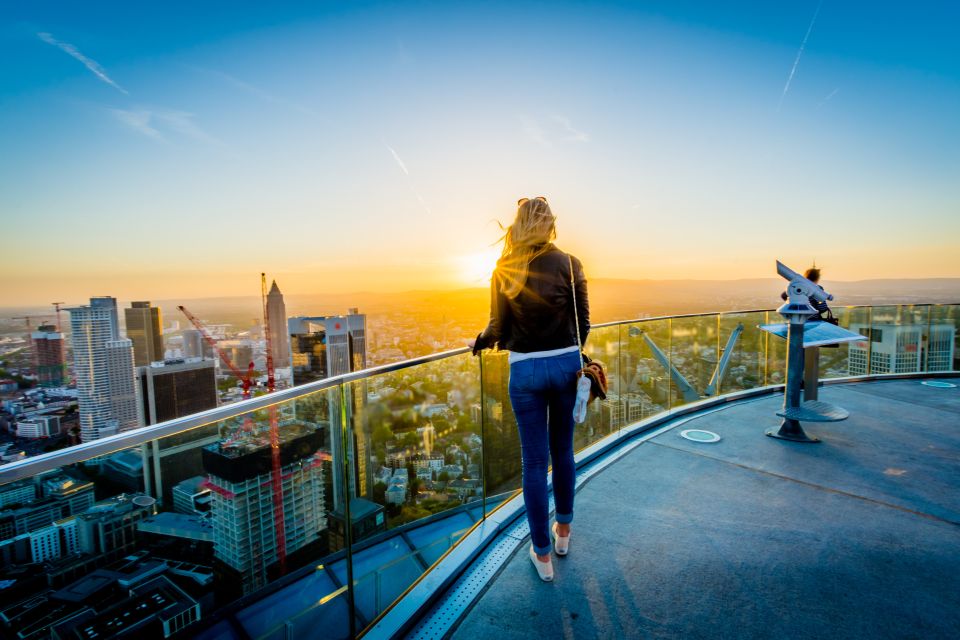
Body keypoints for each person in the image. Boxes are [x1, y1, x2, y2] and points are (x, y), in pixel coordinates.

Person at [468, 196, 589, 582]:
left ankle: (541, 555)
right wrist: (570, 354)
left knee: (535, 463)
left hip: (525, 370)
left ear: (517, 226)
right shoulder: (570, 263)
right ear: (550, 223)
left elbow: (497, 328)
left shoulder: (505, 266)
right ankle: (564, 533)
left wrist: (480, 341)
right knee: (563, 452)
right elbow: (583, 322)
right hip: (567, 365)